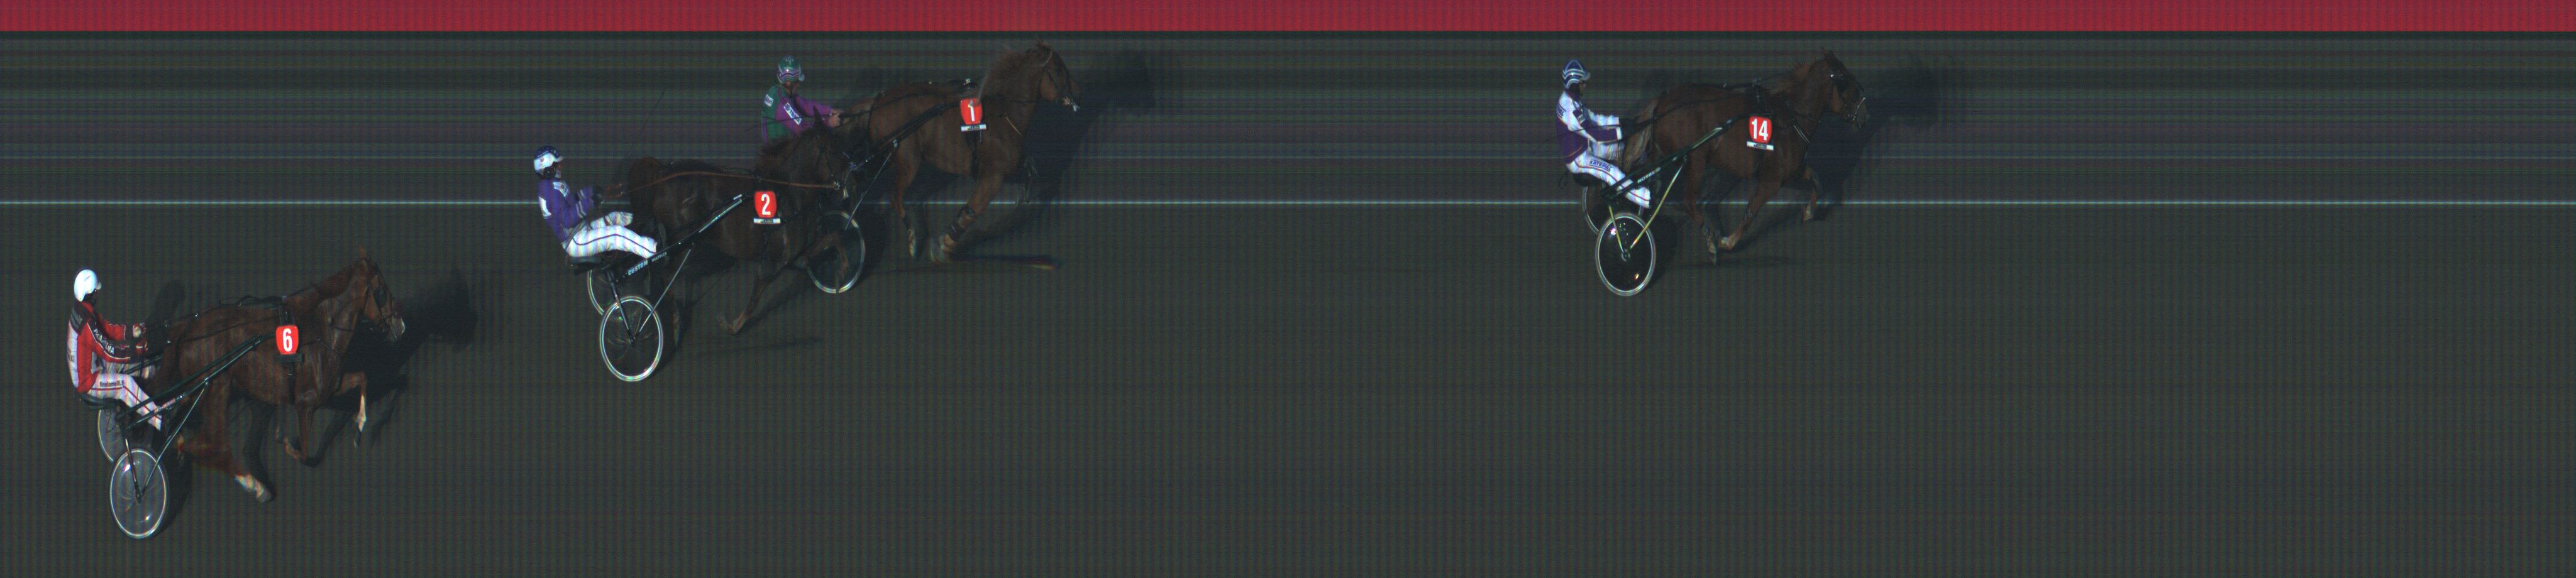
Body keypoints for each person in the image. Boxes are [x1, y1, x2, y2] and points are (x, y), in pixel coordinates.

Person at [68, 269, 164, 429]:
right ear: (90, 293)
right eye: (96, 291)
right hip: (88, 380)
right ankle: (160, 420)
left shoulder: (84, 311)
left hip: (96, 364)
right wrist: (136, 349)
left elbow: (107, 329)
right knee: (125, 385)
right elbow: (109, 352)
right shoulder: (86, 325)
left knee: (139, 365)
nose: (98, 294)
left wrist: (131, 331)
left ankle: (154, 382)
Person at [534, 146, 659, 261]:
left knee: (616, 217)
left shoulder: (552, 185)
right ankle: (654, 251)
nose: (560, 166)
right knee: (616, 234)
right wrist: (591, 202)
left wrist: (593, 191)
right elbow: (568, 220)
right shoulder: (550, 192)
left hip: (582, 229)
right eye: (557, 164)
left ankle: (649, 224)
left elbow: (572, 201)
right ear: (548, 169)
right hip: (576, 241)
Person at [1556, 59, 1651, 211]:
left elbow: (1595, 119)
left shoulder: (1572, 100)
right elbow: (1596, 135)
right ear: (1574, 84)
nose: (1585, 85)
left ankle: (1638, 178)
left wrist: (1619, 121)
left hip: (1588, 146)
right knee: (1611, 172)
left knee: (1623, 149)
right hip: (1579, 159)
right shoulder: (1571, 110)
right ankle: (1646, 199)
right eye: (1582, 82)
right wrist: (1621, 132)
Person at [762, 56, 841, 141]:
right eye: (797, 81)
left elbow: (805, 105)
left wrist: (829, 111)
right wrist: (828, 123)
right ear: (788, 82)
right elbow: (802, 128)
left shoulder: (776, 92)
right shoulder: (783, 105)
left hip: (779, 144)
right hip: (782, 148)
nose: (798, 85)